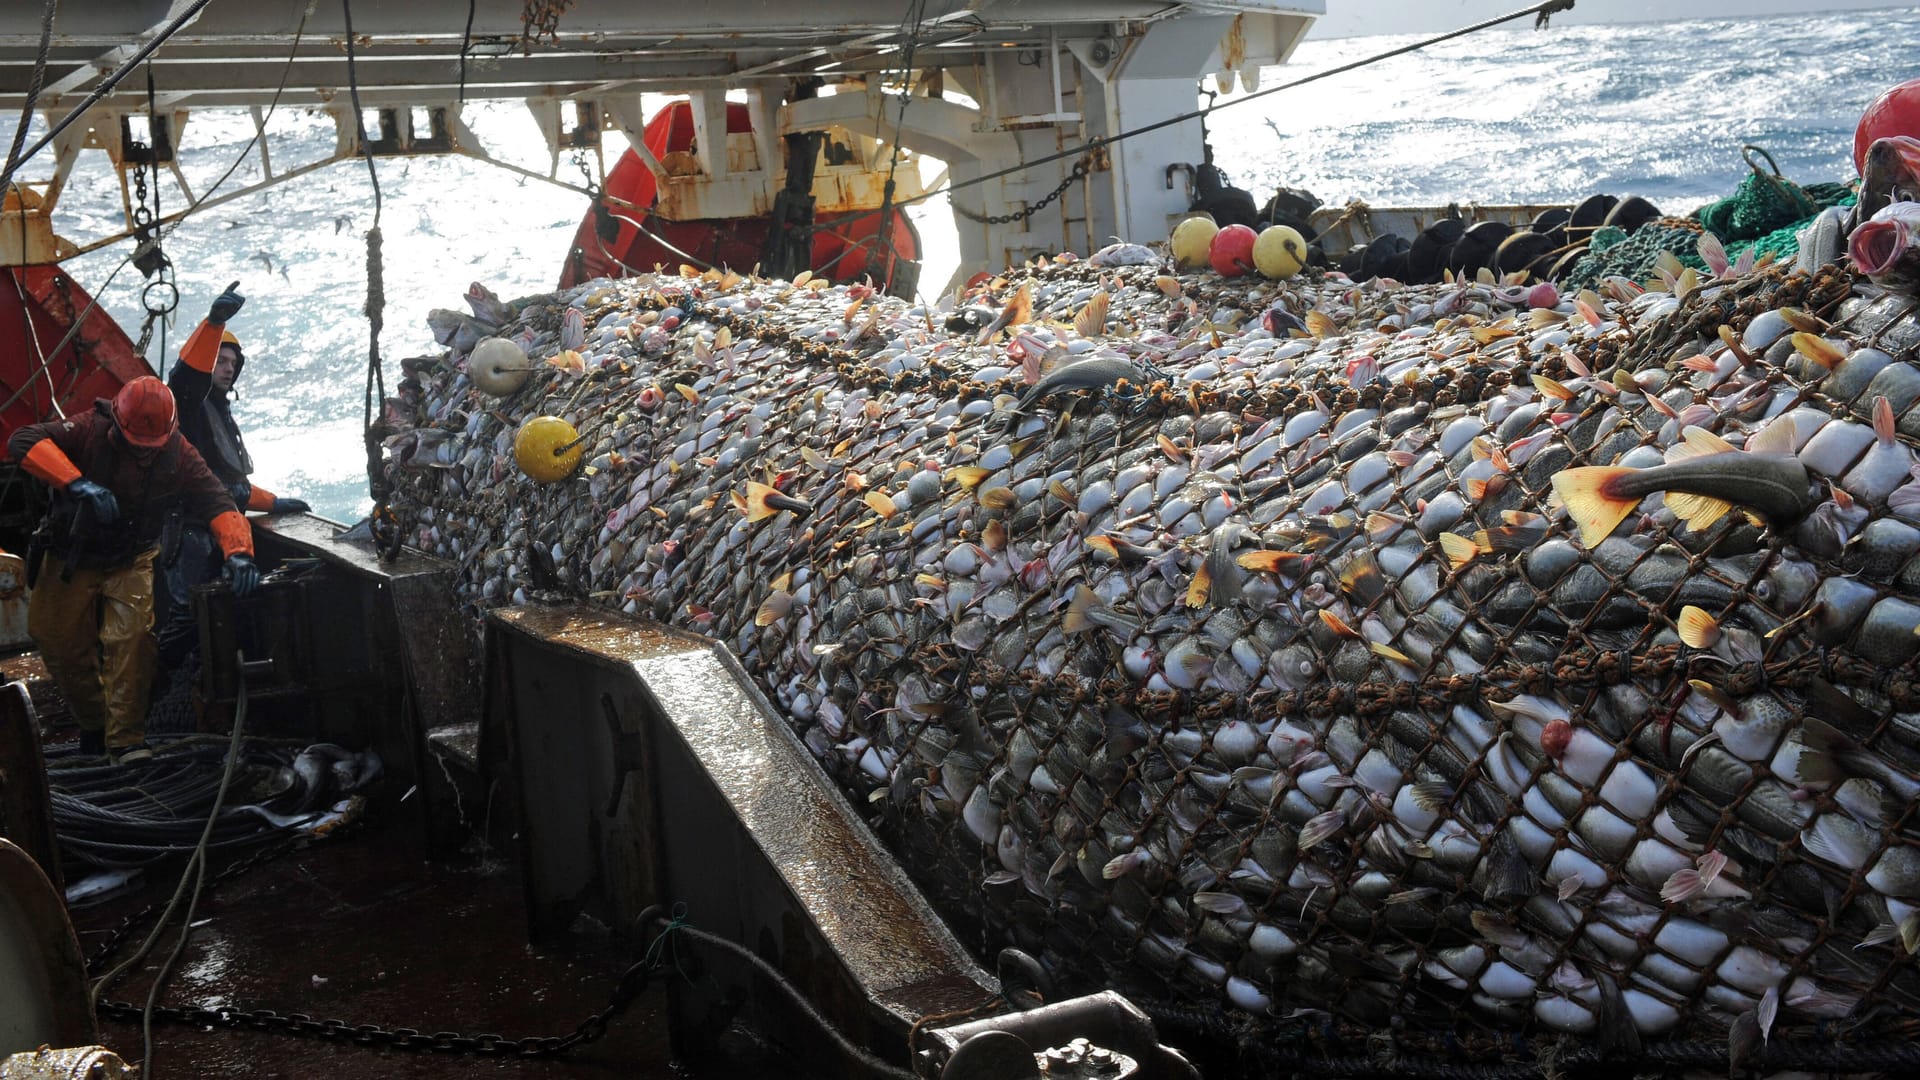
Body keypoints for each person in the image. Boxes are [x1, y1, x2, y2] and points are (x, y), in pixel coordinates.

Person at [10, 377, 261, 764]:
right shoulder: (88, 430)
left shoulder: (181, 456)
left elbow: (217, 501)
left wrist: (239, 553)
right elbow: (22, 440)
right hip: (70, 558)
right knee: (57, 641)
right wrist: (77, 484)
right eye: (136, 446)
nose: (144, 454)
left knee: (132, 642)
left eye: (152, 448)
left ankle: (127, 741)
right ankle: (95, 724)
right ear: (117, 424)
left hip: (132, 559)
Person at [158, 282, 308, 668]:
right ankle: (162, 691)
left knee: (221, 619)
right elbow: (184, 378)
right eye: (219, 361)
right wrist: (213, 324)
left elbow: (230, 483)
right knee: (190, 619)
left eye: (232, 363)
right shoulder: (190, 405)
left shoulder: (220, 411)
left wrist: (272, 503)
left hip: (219, 528)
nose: (227, 369)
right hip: (192, 533)